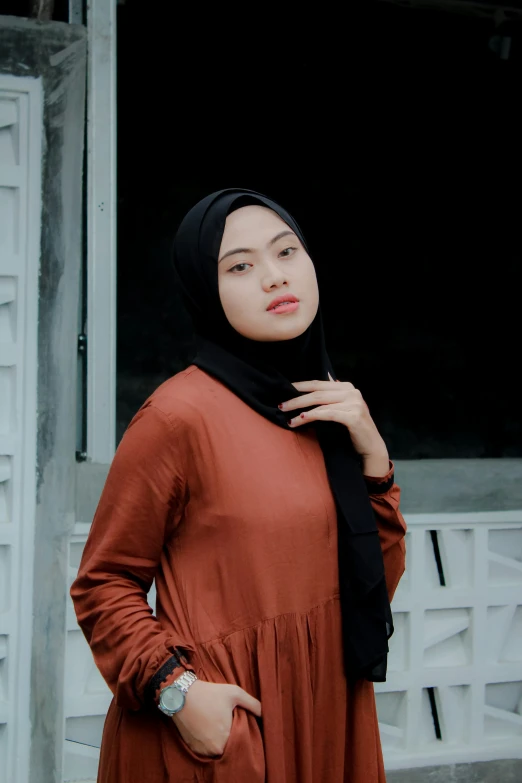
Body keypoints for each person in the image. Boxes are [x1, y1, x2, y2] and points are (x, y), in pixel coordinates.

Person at [71, 188, 407, 783]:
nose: (274, 278)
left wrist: (374, 459)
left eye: (287, 253)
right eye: (240, 267)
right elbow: (103, 583)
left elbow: (370, 586)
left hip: (325, 712)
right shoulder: (178, 417)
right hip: (221, 732)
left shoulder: (326, 406)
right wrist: (178, 694)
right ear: (207, 291)